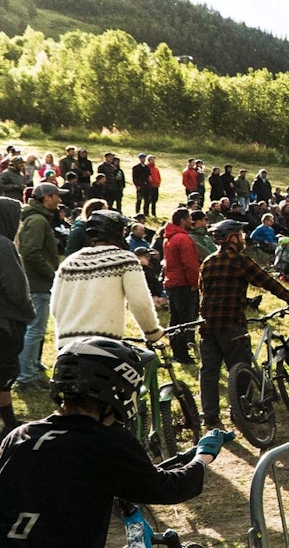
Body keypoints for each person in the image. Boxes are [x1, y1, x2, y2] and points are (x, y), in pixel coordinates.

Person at [0, 337, 235, 547]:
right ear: (118, 390)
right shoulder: (106, 441)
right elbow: (166, 488)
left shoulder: (20, 435)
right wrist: (203, 457)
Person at [197, 219, 289, 428]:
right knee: (240, 370)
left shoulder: (207, 262)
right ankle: (242, 411)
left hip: (207, 326)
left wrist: (244, 301)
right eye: (240, 235)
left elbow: (208, 293)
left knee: (209, 372)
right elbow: (267, 282)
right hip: (232, 326)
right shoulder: (240, 261)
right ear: (232, 238)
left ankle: (210, 416)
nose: (243, 238)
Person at [50, 210, 165, 350]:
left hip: (67, 347)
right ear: (116, 232)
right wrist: (152, 332)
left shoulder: (69, 262)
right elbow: (140, 303)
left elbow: (55, 307)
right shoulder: (124, 260)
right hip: (103, 344)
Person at [14, 182, 66, 390]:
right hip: (38, 284)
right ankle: (26, 375)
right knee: (35, 329)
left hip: (37, 282)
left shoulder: (38, 218)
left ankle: (32, 366)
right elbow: (30, 252)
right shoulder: (37, 220)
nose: (59, 200)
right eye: (56, 196)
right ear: (47, 198)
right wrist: (52, 274)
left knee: (36, 329)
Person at [0, 196, 34, 436]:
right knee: (4, 372)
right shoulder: (4, 246)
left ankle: (10, 421)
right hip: (5, 320)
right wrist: (28, 310)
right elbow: (15, 287)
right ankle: (9, 423)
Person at [163, 208, 202, 364]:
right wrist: (195, 283)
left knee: (175, 319)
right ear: (182, 220)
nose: (192, 222)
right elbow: (190, 265)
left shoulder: (169, 238)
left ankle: (176, 351)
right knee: (186, 320)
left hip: (172, 283)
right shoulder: (183, 239)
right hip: (184, 284)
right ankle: (182, 354)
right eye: (189, 218)